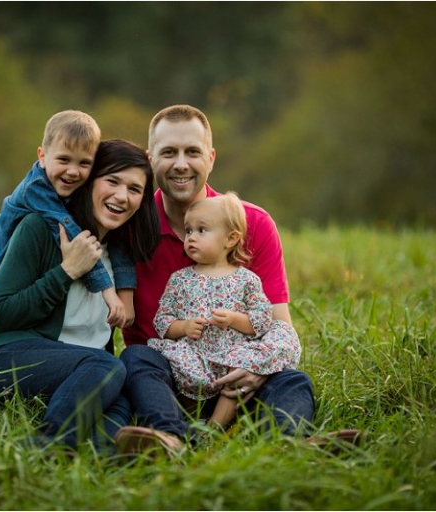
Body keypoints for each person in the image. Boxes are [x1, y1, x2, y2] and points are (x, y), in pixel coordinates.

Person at [116, 104, 320, 454]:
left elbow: (279, 326)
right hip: (169, 381)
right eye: (169, 152)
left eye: (192, 151)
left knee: (293, 381)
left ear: (210, 157)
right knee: (135, 360)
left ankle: (291, 447)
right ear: (151, 160)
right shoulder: (128, 228)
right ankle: (171, 438)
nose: (181, 163)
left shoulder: (251, 224)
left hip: (242, 377)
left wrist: (255, 370)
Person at [0, 139, 159, 452]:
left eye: (134, 189)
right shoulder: (40, 229)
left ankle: (106, 453)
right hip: (3, 361)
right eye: (112, 181)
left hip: (76, 371)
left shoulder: (121, 255)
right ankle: (50, 444)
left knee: (121, 388)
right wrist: (66, 271)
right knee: (107, 367)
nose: (121, 196)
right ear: (88, 182)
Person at [0, 111, 137, 385]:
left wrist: (126, 293)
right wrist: (107, 290)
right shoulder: (37, 188)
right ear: (42, 156)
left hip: (27, 252)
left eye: (84, 163)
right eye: (63, 159)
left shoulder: (77, 186)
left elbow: (116, 246)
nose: (73, 171)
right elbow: (77, 241)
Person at [147, 192, 301, 429]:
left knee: (280, 378)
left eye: (202, 230)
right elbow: (163, 319)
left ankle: (215, 428)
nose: (191, 238)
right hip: (194, 356)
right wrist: (184, 327)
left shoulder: (246, 279)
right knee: (174, 360)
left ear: (230, 239)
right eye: (188, 231)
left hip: (233, 359)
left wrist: (234, 319)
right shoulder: (180, 280)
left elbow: (261, 320)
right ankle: (187, 425)